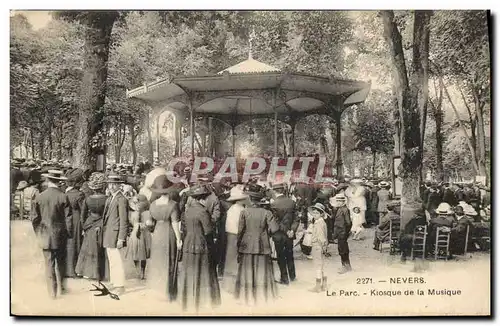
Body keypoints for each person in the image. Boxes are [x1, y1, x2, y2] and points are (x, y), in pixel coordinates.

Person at [31, 170, 72, 299]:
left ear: (48, 180)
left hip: (45, 234)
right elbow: (68, 219)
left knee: (49, 264)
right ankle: (62, 288)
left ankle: (52, 293)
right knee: (61, 262)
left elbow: (34, 219)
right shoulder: (63, 196)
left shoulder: (40, 196)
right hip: (60, 235)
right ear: (59, 181)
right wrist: (68, 233)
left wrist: (39, 232)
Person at [180, 184, 221, 311]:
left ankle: (189, 298)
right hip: (201, 243)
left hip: (188, 242)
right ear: (203, 198)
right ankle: (204, 299)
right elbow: (208, 231)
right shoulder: (203, 212)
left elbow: (184, 228)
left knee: (190, 270)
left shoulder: (187, 211)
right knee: (203, 270)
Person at [235, 184, 278, 305]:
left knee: (247, 271)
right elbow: (274, 229)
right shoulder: (267, 212)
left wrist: (239, 245)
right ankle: (262, 296)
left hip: (247, 244)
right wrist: (265, 232)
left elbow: (240, 231)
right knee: (262, 270)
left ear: (250, 198)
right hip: (262, 245)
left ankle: (247, 297)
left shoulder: (244, 212)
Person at [146, 174, 182, 301]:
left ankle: (157, 290)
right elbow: (175, 223)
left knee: (157, 262)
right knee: (169, 261)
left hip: (157, 234)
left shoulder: (153, 204)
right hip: (169, 233)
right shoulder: (173, 205)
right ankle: (168, 292)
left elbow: (149, 223)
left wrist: (152, 231)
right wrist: (179, 239)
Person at [75, 172, 109, 281]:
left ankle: (88, 272)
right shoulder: (107, 199)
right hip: (102, 223)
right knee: (101, 248)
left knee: (89, 247)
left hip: (90, 223)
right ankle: (102, 273)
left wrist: (84, 226)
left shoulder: (88, 199)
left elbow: (83, 215)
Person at [102, 174, 129, 295]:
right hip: (109, 233)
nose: (111, 186)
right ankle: (114, 282)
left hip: (116, 234)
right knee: (112, 260)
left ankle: (120, 285)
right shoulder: (110, 198)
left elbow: (124, 220)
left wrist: (121, 238)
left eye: (114, 184)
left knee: (117, 260)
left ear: (119, 185)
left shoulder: (121, 199)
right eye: (110, 184)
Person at [270, 182, 298, 285]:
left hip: (279, 234)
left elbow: (276, 221)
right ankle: (293, 275)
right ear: (283, 190)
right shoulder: (292, 202)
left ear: (275, 191)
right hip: (290, 233)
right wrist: (292, 230)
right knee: (290, 254)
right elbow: (296, 218)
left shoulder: (273, 204)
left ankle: (284, 278)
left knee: (281, 256)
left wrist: (285, 230)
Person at [222, 185, 248, 293]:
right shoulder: (242, 210)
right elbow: (242, 226)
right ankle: (237, 286)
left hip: (230, 235)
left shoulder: (231, 209)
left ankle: (228, 285)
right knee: (237, 260)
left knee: (230, 260)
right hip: (238, 236)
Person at [64, 168, 86, 278]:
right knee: (76, 244)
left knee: (68, 244)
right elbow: (84, 210)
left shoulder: (65, 192)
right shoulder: (79, 195)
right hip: (76, 220)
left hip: (66, 219)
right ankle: (74, 270)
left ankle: (67, 269)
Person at [126, 195, 152, 280]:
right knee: (142, 253)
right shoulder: (147, 213)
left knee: (136, 253)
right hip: (142, 233)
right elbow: (150, 224)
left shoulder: (132, 213)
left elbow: (130, 223)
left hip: (136, 233)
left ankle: (139, 270)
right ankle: (141, 271)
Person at [307, 203, 329, 293]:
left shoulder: (319, 223)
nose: (314, 215)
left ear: (321, 214)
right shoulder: (321, 222)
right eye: (314, 213)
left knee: (318, 266)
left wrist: (323, 247)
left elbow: (321, 237)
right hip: (321, 246)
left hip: (317, 245)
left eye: (317, 213)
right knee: (322, 266)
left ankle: (318, 286)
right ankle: (324, 285)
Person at [329, 193, 352, 274]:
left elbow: (348, 223)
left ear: (343, 202)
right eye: (337, 201)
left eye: (340, 201)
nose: (338, 202)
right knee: (341, 248)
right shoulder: (338, 209)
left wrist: (345, 232)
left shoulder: (345, 210)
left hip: (342, 232)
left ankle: (345, 266)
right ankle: (346, 266)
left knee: (343, 249)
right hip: (339, 232)